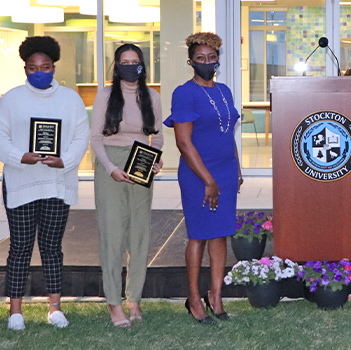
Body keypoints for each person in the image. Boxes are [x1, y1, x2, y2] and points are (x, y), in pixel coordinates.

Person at [0, 36, 90, 331]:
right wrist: (20, 156)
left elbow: (80, 137)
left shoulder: (71, 99)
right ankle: (15, 311)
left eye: (45, 66)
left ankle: (55, 308)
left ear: (54, 67)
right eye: (33, 67)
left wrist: (66, 160)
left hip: (57, 182)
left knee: (52, 247)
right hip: (21, 181)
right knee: (19, 247)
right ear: (25, 69)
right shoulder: (11, 99)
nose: (39, 72)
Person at [165, 32, 242, 324]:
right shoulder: (184, 93)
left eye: (212, 58)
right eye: (201, 59)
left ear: (218, 60)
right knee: (198, 234)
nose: (207, 63)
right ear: (191, 61)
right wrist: (209, 180)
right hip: (199, 174)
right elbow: (184, 143)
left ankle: (216, 295)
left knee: (220, 233)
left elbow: (227, 131)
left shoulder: (224, 90)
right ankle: (194, 298)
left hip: (225, 171)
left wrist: (237, 169)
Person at [91, 44, 163, 327]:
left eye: (135, 62)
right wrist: (110, 168)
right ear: (117, 66)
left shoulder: (152, 96)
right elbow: (96, 137)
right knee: (112, 235)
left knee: (139, 233)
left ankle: (134, 300)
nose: (130, 66)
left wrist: (155, 161)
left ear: (143, 65)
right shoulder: (106, 95)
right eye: (125, 62)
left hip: (141, 163)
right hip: (111, 164)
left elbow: (156, 137)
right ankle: (114, 303)